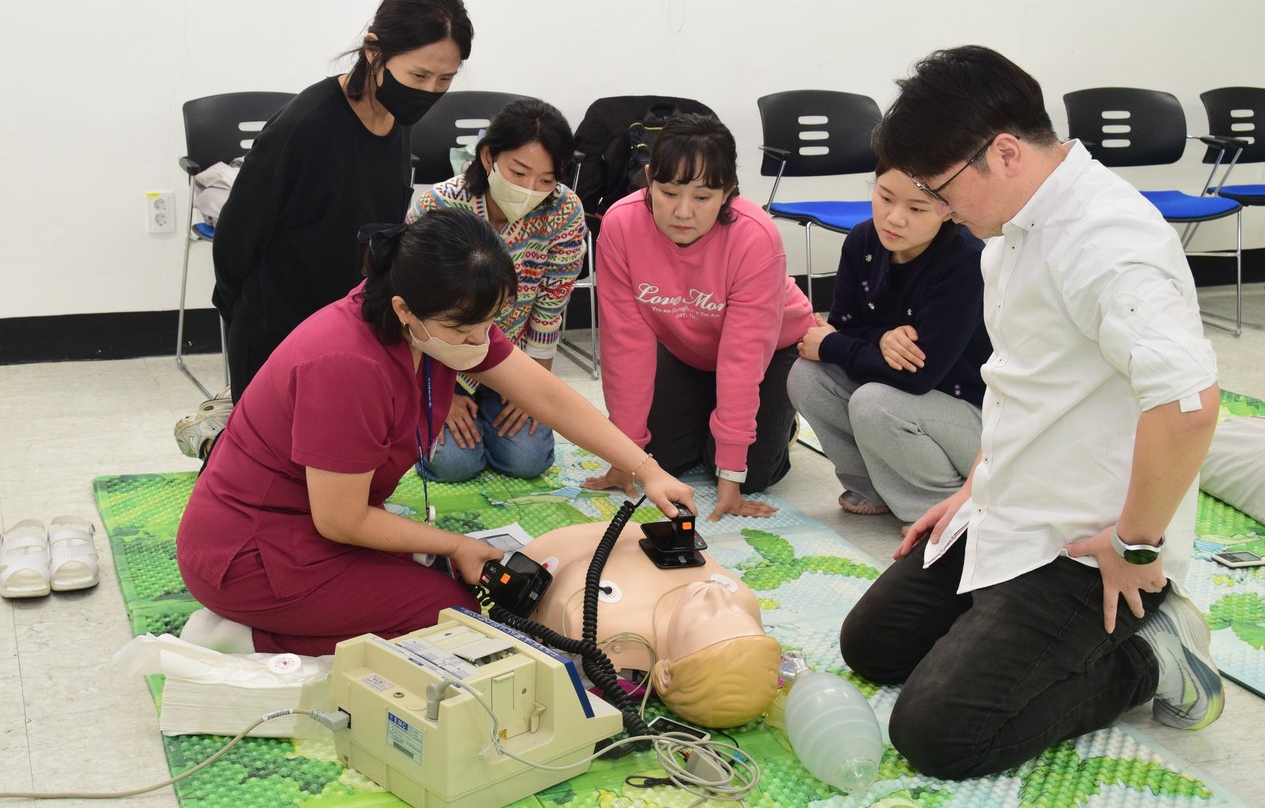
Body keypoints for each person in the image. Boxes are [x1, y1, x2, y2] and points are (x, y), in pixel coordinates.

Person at [839, 46, 1223, 781]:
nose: (940, 211)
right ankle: (1004, 627)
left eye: (941, 191)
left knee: (938, 734)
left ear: (1005, 152)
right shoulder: (1014, 228)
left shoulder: (1108, 243)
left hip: (1090, 540)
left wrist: (1136, 545)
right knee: (874, 645)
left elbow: (1188, 405)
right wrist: (972, 487)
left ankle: (1150, 654)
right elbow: (1022, 384)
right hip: (1008, 501)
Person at [176, 209, 695, 658]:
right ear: (404, 309)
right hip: (251, 552)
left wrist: (646, 468)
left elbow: (547, 396)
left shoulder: (434, 319)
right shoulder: (346, 364)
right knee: (454, 620)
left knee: (460, 585)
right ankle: (242, 638)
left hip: (314, 519)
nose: (479, 342)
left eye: (487, 324)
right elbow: (340, 518)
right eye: (463, 331)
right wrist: (455, 544)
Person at [176, 0, 474, 464]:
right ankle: (218, 436)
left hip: (345, 318)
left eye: (445, 80)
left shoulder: (397, 118)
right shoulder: (307, 125)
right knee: (278, 471)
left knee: (340, 459)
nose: (430, 92)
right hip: (279, 322)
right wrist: (247, 319)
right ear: (374, 52)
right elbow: (235, 238)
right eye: (420, 75)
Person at [586, 114, 813, 521]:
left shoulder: (755, 237)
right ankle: (707, 412)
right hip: (688, 347)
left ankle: (781, 420)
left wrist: (731, 476)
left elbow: (742, 359)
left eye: (703, 197)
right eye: (668, 192)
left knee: (750, 474)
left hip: (773, 351)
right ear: (648, 180)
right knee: (656, 460)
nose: (682, 212)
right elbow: (625, 347)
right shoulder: (621, 225)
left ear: (728, 192)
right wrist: (624, 456)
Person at [786, 163, 991, 524]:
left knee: (875, 401)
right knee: (808, 375)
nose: (894, 218)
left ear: (949, 209)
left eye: (917, 208)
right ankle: (873, 487)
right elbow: (845, 326)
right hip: (911, 401)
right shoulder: (863, 240)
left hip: (976, 423)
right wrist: (880, 338)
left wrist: (835, 344)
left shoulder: (965, 260)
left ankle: (939, 507)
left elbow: (918, 375)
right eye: (885, 197)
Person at [405, 98, 587, 484]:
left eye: (546, 180)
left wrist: (533, 391)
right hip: (440, 361)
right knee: (453, 465)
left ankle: (487, 420)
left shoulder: (565, 212)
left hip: (509, 360)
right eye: (518, 172)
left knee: (527, 460)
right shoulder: (439, 205)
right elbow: (413, 310)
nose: (529, 189)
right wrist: (435, 394)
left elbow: (549, 310)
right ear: (489, 156)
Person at [523, 521, 781, 728]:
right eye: (735, 609)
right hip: (625, 531)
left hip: (555, 546)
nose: (716, 593)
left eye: (707, 617)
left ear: (666, 674)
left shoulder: (607, 626)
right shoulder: (743, 597)